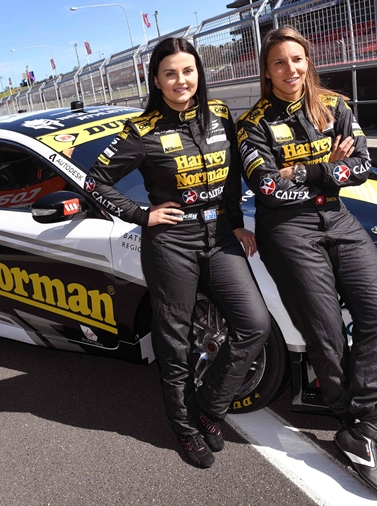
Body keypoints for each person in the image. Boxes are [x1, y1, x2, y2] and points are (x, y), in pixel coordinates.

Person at [86, 37, 271, 468]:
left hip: (221, 235)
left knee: (254, 324)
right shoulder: (143, 129)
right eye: (170, 73)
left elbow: (229, 182)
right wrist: (141, 214)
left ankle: (208, 406)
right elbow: (96, 181)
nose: (181, 80)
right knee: (175, 342)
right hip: (172, 243)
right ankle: (184, 428)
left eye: (188, 71)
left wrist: (238, 224)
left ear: (199, 74)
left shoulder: (221, 114)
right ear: (156, 80)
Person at [235, 26, 377, 496]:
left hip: (339, 219)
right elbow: (267, 187)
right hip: (287, 230)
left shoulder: (336, 106)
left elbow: (363, 166)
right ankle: (355, 426)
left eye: (297, 60)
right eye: (280, 63)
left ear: (309, 61)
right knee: (326, 331)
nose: (291, 70)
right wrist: (330, 168)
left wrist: (305, 170)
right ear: (267, 72)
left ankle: (361, 421)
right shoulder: (253, 124)